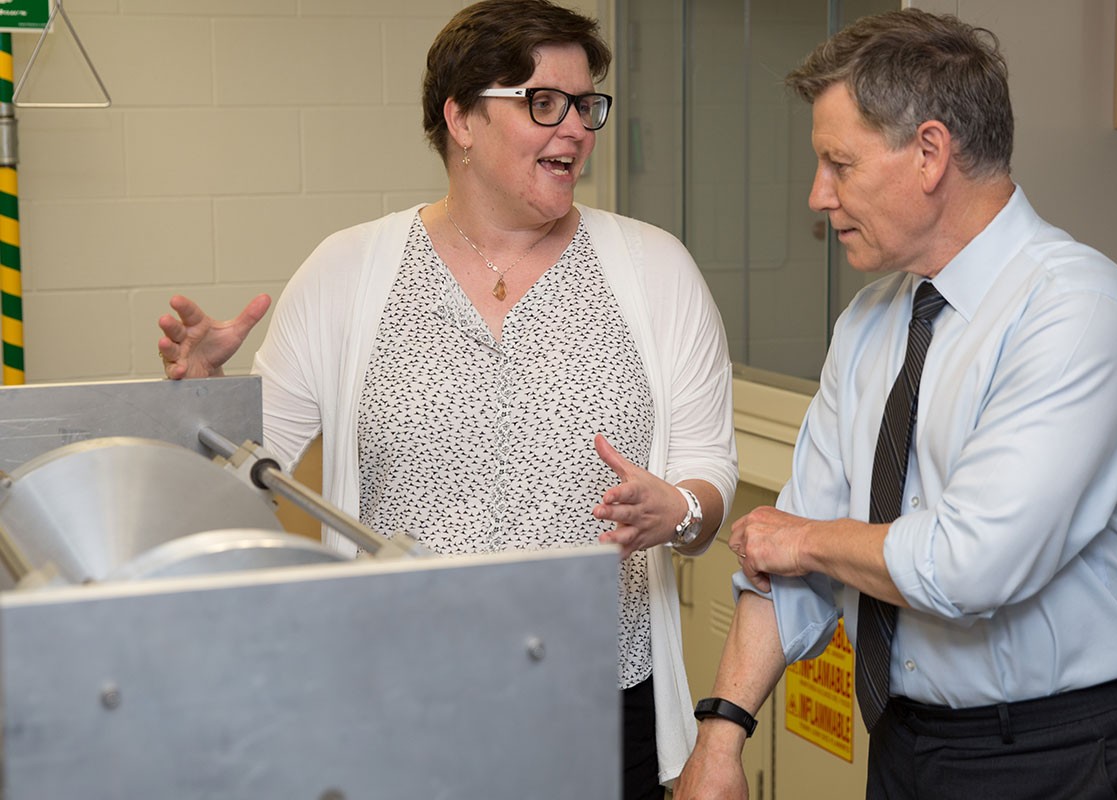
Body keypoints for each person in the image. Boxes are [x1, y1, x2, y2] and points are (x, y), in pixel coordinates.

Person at [156, 1, 737, 797]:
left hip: (596, 700)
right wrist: (203, 406)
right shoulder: (349, 271)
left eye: (586, 104)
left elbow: (709, 473)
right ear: (460, 117)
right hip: (395, 699)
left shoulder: (655, 270)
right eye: (543, 103)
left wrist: (680, 511)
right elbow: (252, 473)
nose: (575, 128)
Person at [675, 9, 1117, 800]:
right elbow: (782, 561)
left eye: (838, 163)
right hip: (909, 744)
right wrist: (720, 735)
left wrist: (807, 540)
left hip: (1061, 753)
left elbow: (968, 566)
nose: (818, 194)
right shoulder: (873, 321)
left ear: (930, 152)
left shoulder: (1076, 310)